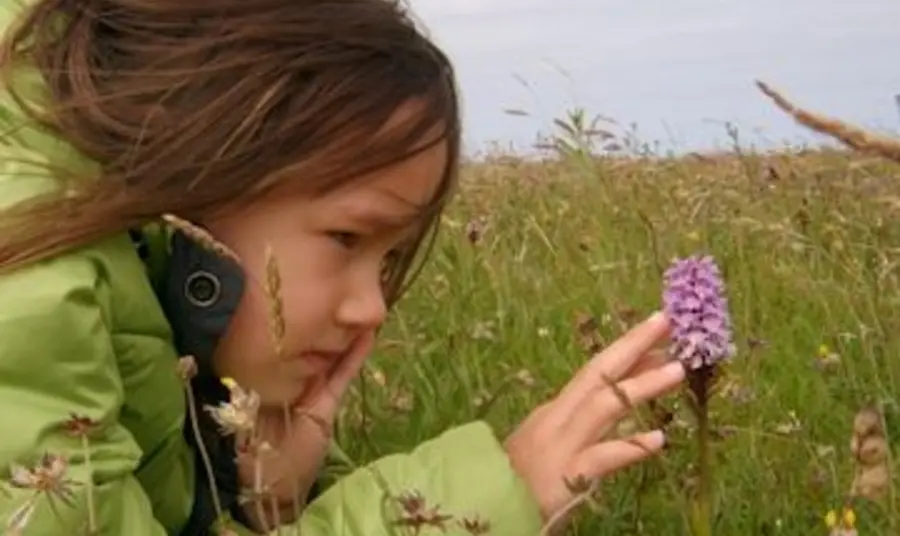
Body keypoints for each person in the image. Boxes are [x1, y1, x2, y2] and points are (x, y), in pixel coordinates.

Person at [0, 1, 687, 535]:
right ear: (200, 166)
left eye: (388, 259)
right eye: (346, 236)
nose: (372, 309)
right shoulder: (33, 287)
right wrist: (484, 498)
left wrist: (255, 495)